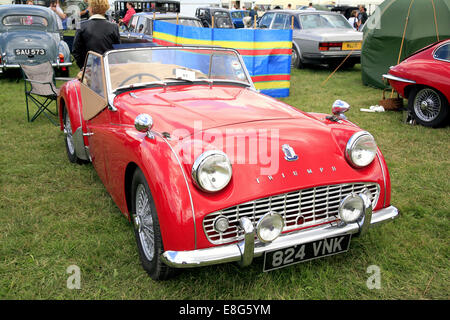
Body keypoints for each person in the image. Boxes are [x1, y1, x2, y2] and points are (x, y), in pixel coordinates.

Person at [72, 0, 120, 69]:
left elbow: (76, 51)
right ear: (105, 9)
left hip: (89, 68)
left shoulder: (82, 26)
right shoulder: (113, 27)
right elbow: (116, 50)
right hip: (108, 67)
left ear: (91, 9)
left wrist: (83, 67)